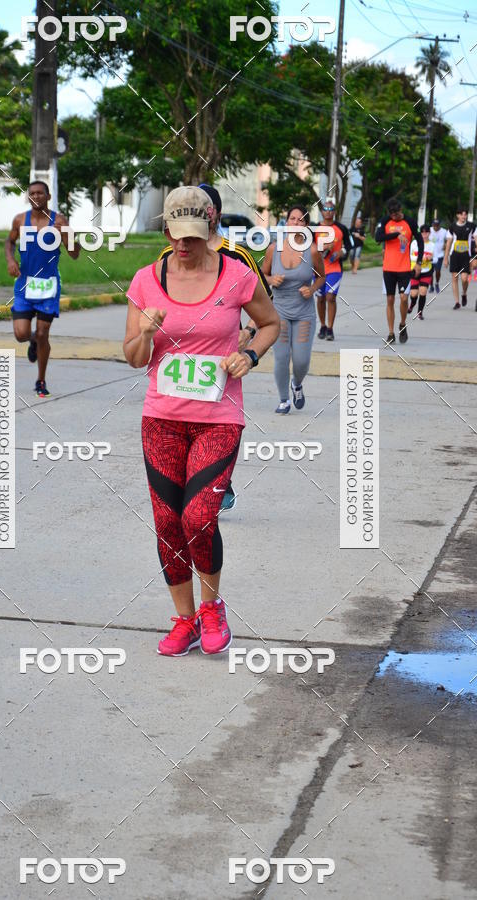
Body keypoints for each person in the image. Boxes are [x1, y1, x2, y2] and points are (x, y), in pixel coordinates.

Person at [124, 186, 279, 657]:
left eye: (196, 234)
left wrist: (249, 355)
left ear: (211, 228)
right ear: (167, 229)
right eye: (178, 234)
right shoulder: (146, 280)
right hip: (162, 420)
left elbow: (271, 323)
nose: (186, 244)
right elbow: (133, 358)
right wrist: (146, 334)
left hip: (218, 419)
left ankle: (212, 608)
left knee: (198, 516)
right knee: (167, 522)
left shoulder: (236, 276)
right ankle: (185, 620)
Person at [158, 183, 271, 513]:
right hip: (181, 354)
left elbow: (265, 307)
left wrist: (248, 335)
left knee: (219, 421)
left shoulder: (238, 256)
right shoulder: (169, 255)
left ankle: (221, 479)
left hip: (223, 357)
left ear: (215, 215)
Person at [5, 181, 80, 397]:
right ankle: (32, 342)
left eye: (40, 193)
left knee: (43, 332)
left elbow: (75, 254)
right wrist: (11, 260)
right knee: (21, 334)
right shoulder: (20, 220)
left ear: (48, 196)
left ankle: (41, 380)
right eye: (32, 193)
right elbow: (9, 242)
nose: (36, 196)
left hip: (48, 285)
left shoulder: (59, 220)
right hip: (25, 285)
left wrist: (66, 235)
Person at [261, 205, 325, 413]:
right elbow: (261, 275)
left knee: (301, 360)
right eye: (292, 219)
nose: (296, 223)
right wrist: (271, 279)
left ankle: (297, 384)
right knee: (281, 357)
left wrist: (312, 288)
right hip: (278, 311)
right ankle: (283, 400)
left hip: (304, 312)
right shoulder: (273, 248)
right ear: (286, 222)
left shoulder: (313, 250)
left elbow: (321, 277)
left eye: (301, 220)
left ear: (306, 225)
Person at [375, 198, 423, 345]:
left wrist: (418, 263)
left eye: (396, 214)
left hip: (404, 268)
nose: (393, 217)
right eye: (391, 214)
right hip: (388, 268)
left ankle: (402, 324)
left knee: (403, 298)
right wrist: (396, 235)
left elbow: (420, 241)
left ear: (400, 210)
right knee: (390, 300)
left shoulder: (410, 222)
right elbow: (378, 237)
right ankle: (390, 333)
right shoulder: (385, 221)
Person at [314, 197, 353, 341]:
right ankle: (323, 326)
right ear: (322, 212)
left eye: (331, 210)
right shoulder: (315, 228)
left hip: (334, 268)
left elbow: (350, 245)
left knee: (330, 297)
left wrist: (341, 252)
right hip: (318, 269)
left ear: (335, 212)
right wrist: (323, 247)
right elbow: (308, 248)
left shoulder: (341, 228)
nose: (328, 212)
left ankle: (330, 328)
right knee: (320, 298)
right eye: (326, 209)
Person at [443, 207, 476, 310]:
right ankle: (457, 302)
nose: (463, 216)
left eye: (465, 214)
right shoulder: (452, 227)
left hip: (466, 255)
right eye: (462, 214)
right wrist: (445, 258)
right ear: (457, 215)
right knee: (455, 278)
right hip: (454, 255)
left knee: (465, 278)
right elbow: (448, 242)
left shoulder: (472, 226)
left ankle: (464, 293)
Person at [408, 224, 434, 321]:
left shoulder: (432, 245)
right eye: (422, 232)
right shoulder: (414, 243)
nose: (424, 234)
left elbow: (434, 258)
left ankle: (420, 312)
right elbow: (409, 256)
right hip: (415, 270)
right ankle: (412, 304)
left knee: (423, 292)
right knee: (414, 294)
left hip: (426, 271)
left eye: (426, 232)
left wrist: (430, 258)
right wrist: (420, 258)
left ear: (429, 233)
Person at [429, 219, 445, 293]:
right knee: (430, 272)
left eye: (437, 225)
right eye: (434, 225)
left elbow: (449, 239)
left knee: (438, 271)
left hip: (439, 255)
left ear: (439, 225)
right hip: (430, 255)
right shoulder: (429, 230)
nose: (435, 227)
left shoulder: (444, 231)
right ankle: (431, 286)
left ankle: (437, 284)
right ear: (432, 225)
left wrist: (446, 244)